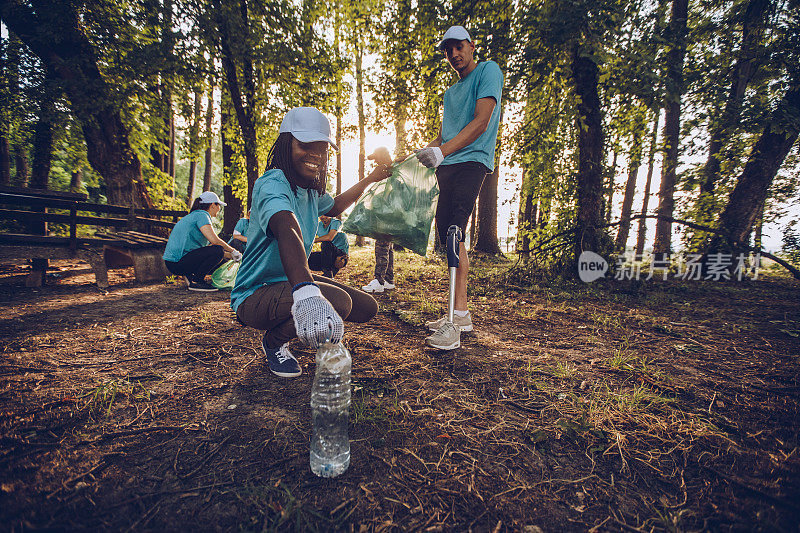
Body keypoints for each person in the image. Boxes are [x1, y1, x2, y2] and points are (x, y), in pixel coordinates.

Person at [231, 107, 392, 378]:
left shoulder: (308, 190)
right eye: (305, 145)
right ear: (286, 144)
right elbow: (286, 225)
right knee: (338, 303)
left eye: (321, 148)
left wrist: (370, 178)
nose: (315, 154)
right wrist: (306, 292)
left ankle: (299, 309)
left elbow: (335, 205)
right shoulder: (272, 184)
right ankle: (274, 342)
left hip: (286, 283)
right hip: (255, 294)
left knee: (366, 307)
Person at [414, 25, 503, 350]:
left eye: (458, 47)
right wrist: (423, 153)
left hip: (471, 162)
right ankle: (459, 312)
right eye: (447, 50)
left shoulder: (488, 71)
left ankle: (452, 327)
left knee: (455, 232)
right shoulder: (451, 93)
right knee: (448, 239)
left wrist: (443, 151)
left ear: (471, 45)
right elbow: (444, 137)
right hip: (447, 165)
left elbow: (481, 122)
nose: (453, 54)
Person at [163, 191, 242, 292]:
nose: (219, 209)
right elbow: (214, 241)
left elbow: (207, 248)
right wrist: (233, 251)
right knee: (218, 250)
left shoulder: (195, 215)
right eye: (219, 206)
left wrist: (233, 256)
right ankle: (197, 281)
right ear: (213, 205)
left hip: (173, 263)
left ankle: (190, 276)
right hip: (177, 263)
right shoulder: (202, 215)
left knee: (219, 254)